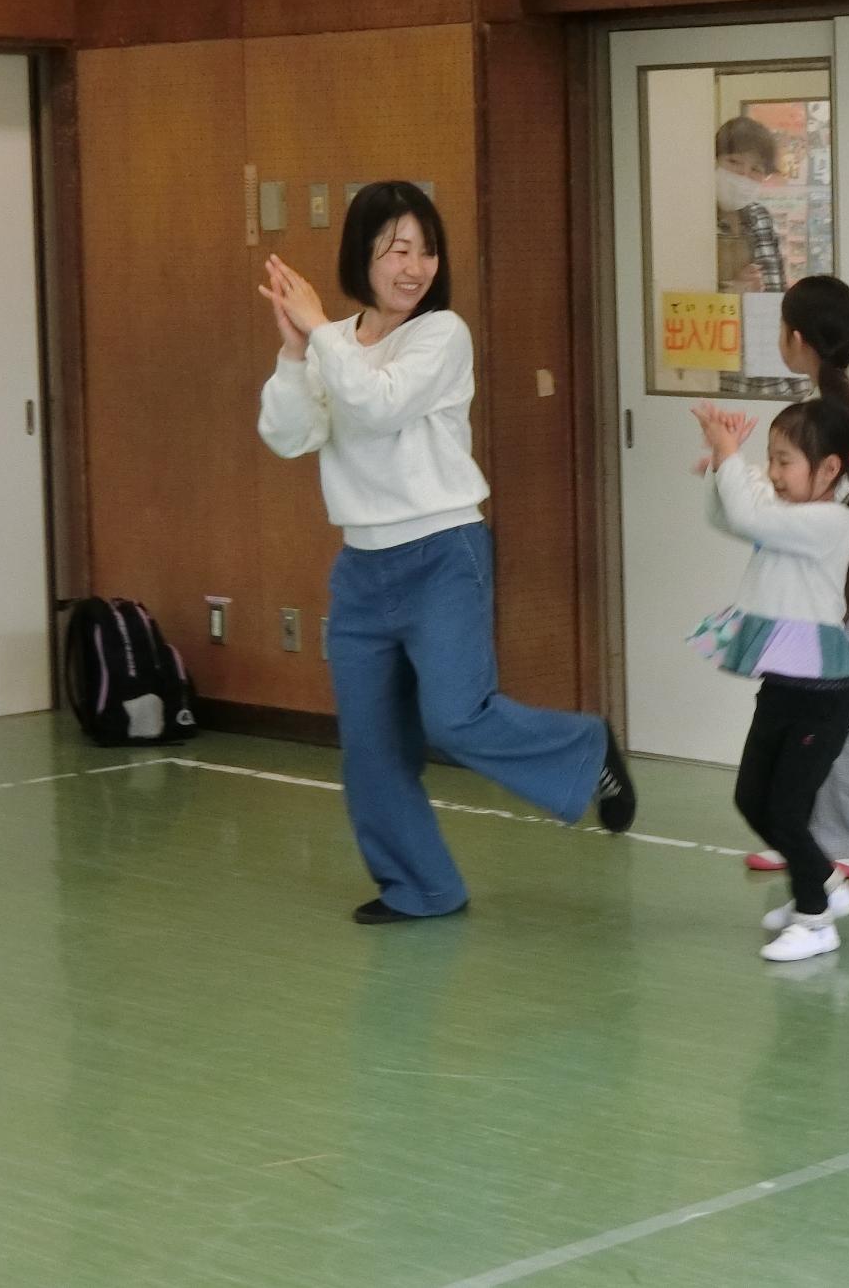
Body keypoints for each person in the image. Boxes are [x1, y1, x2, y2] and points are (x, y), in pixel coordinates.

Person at [256, 181, 636, 925]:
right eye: (398, 249)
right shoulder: (336, 345)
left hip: (443, 554)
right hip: (362, 568)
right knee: (371, 748)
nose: (416, 266)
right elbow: (290, 434)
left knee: (456, 718)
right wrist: (295, 350)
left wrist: (324, 341)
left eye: (427, 250)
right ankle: (420, 886)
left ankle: (584, 748)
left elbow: (379, 402)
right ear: (360, 253)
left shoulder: (441, 334)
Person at [689, 386, 849, 963]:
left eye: (783, 461)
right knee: (752, 798)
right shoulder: (788, 515)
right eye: (768, 459)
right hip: (782, 687)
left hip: (822, 699)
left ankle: (816, 920)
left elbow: (751, 510)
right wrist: (722, 464)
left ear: (827, 470)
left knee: (786, 811)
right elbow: (729, 517)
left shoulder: (828, 522)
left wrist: (731, 456)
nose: (771, 472)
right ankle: (821, 881)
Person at [742, 275, 849, 879]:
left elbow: (820, 500)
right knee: (812, 700)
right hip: (834, 577)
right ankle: (809, 832)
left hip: (845, 580)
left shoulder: (842, 411)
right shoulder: (844, 403)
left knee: (839, 701)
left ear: (794, 337)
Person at [716, 116, 800, 398]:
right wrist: (731, 293)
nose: (744, 175)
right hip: (720, 378)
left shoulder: (760, 217)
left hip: (770, 376)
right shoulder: (695, 218)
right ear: (714, 161)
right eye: (734, 163)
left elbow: (779, 299)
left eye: (755, 170)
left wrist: (797, 382)